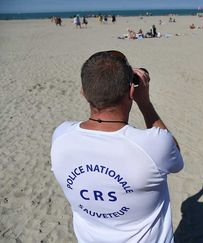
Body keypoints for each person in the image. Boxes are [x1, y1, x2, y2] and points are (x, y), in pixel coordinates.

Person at [51, 51, 184, 242]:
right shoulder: (153, 145)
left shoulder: (61, 136)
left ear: (83, 92)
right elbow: (176, 159)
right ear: (131, 91)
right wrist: (144, 103)